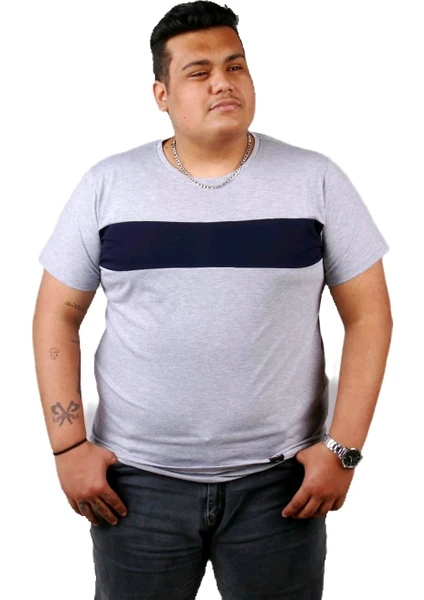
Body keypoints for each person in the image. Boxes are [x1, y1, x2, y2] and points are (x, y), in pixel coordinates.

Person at [32, 1, 392, 598]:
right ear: (162, 94)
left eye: (235, 66)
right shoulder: (107, 186)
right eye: (198, 72)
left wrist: (343, 450)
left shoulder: (316, 181)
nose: (223, 82)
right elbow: (56, 315)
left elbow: (370, 315)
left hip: (280, 486)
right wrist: (68, 447)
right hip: (136, 486)